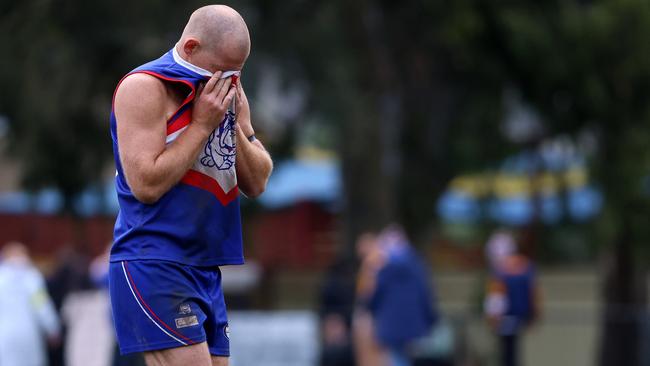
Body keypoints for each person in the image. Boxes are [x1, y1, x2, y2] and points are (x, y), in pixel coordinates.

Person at [108, 5, 273, 366]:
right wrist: (201, 126)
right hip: (154, 258)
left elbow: (258, 180)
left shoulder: (224, 93)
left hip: (205, 266)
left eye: (236, 72)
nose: (227, 80)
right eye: (220, 69)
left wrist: (227, 121)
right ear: (191, 48)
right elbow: (146, 185)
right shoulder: (144, 87)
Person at [354, 226, 438, 366]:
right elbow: (426, 294)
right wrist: (430, 318)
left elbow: (372, 296)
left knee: (396, 358)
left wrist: (368, 308)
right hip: (413, 323)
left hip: (390, 324)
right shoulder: (417, 263)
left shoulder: (381, 265)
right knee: (405, 357)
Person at [0, 241, 61, 366]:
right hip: (28, 334)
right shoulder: (32, 277)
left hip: (4, 335)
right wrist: (52, 328)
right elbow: (42, 306)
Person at [484, 239, 541, 366]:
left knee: (507, 355)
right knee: (512, 353)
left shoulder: (501, 269)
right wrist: (535, 314)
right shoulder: (526, 266)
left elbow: (496, 294)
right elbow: (533, 293)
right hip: (519, 316)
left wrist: (492, 316)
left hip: (505, 317)